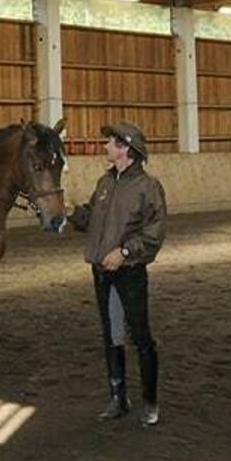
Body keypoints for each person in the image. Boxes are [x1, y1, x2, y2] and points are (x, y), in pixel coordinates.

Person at [70, 121, 167, 427]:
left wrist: (124, 252)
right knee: (112, 335)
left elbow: (154, 233)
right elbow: (91, 219)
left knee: (141, 337)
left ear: (125, 149)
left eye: (110, 143)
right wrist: (71, 214)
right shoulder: (104, 183)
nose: (105, 147)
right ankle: (118, 398)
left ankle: (150, 402)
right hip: (102, 273)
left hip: (129, 274)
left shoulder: (148, 187)